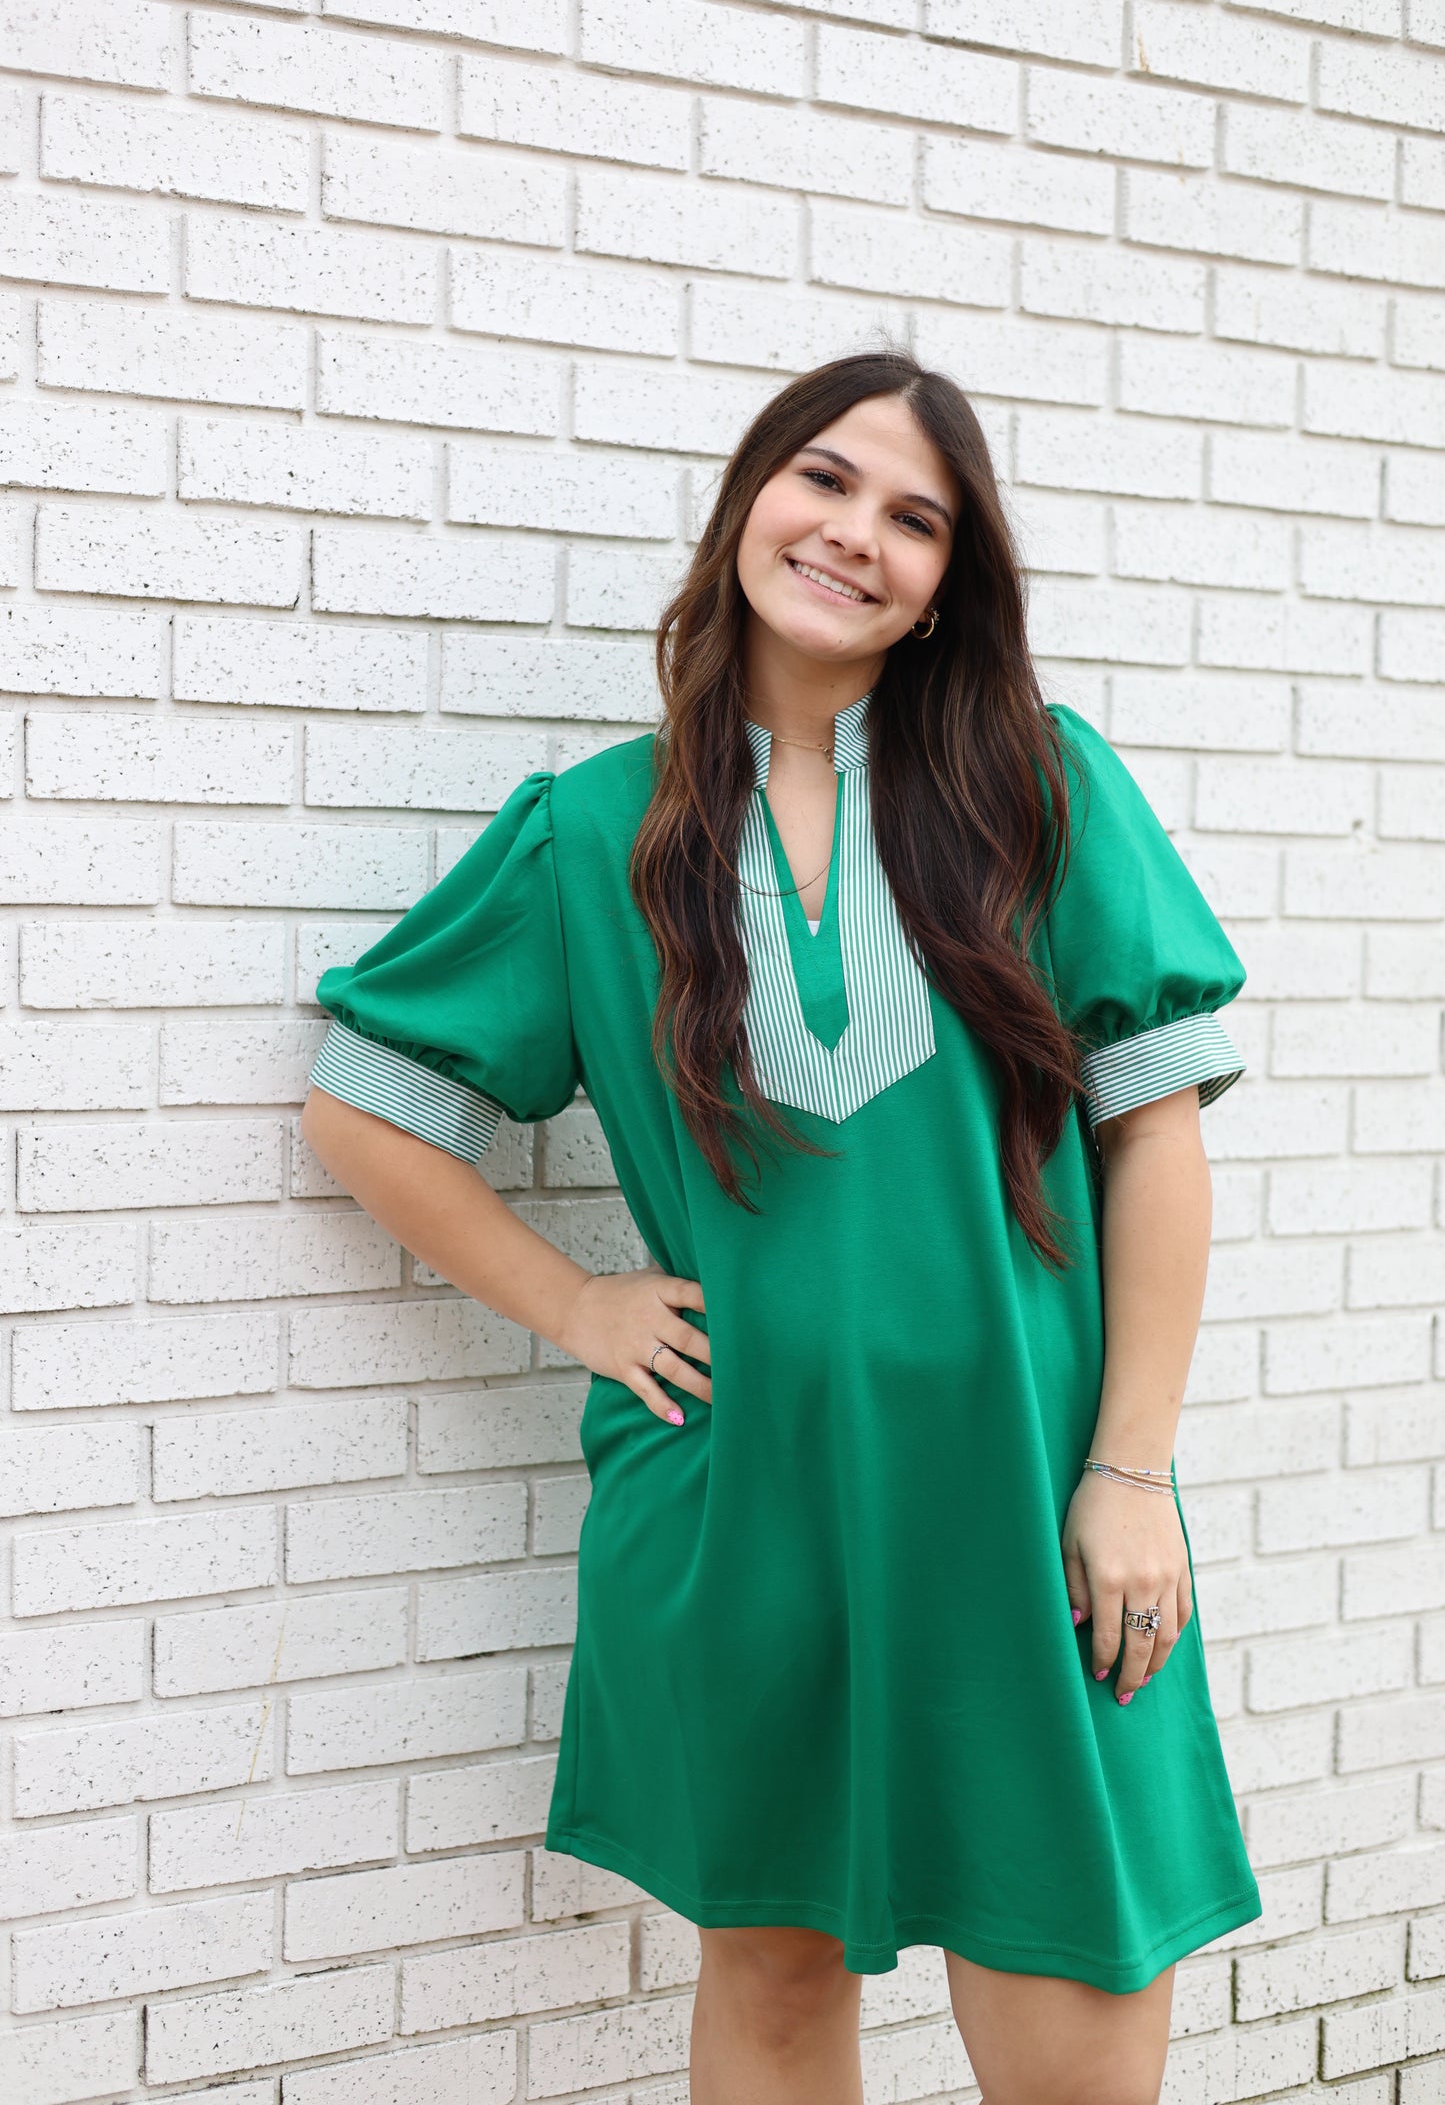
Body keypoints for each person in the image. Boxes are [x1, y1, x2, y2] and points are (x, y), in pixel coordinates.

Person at [300, 348, 1261, 2105]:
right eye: (822, 480)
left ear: (943, 589)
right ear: (753, 494)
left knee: (1075, 1977)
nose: (852, 536)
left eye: (914, 519)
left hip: (1030, 1490)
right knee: (769, 1973)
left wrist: (1131, 1472)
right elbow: (370, 1103)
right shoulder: (596, 832)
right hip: (738, 1500)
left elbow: (1155, 1135)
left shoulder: (1036, 790)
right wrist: (577, 1304)